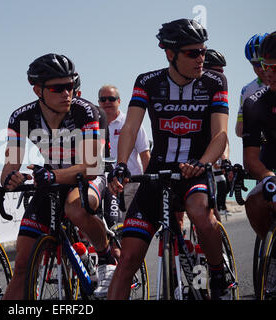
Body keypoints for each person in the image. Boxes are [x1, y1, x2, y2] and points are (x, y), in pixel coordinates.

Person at [107, 19, 229, 300]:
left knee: (200, 214)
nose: (201, 58)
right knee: (127, 260)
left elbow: (220, 135)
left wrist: (203, 163)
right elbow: (130, 128)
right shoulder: (148, 82)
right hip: (158, 173)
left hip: (195, 169)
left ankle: (217, 273)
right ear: (169, 54)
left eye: (202, 51)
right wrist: (121, 165)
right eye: (192, 53)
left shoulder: (214, 82)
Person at [2, 53, 115, 299]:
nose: (67, 93)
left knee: (75, 208)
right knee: (22, 264)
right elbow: (9, 168)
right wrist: (13, 179)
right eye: (58, 88)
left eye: (70, 85)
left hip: (86, 177)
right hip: (53, 181)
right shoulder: (22, 117)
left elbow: (91, 167)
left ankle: (107, 257)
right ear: (37, 90)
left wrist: (52, 176)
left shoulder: (85, 111)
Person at [242, 32, 276, 242]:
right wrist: (268, 177)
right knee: (254, 202)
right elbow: (250, 158)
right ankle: (271, 256)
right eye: (265, 66)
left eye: (275, 68)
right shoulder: (254, 103)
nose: (268, 73)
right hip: (271, 164)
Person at [98, 84, 150, 217]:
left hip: (130, 184)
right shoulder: (94, 125)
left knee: (126, 228)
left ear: (119, 101)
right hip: (102, 186)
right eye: (103, 100)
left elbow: (145, 155)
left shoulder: (130, 122)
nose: (107, 102)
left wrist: (149, 185)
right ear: (98, 103)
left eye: (111, 98)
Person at [203, 49, 230, 217]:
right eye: (216, 71)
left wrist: (225, 159)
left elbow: (223, 134)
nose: (221, 76)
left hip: (211, 151)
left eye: (222, 71)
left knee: (210, 214)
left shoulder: (219, 91)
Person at [235, 33, 269, 138]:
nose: (259, 68)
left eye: (262, 63)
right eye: (255, 64)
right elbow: (239, 130)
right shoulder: (248, 90)